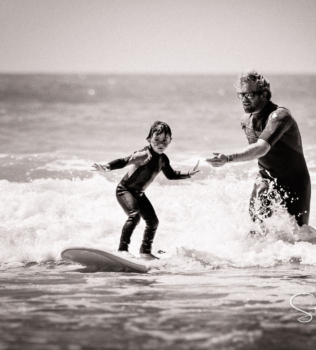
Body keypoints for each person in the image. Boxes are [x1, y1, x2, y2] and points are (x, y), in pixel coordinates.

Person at [206, 70, 311, 228]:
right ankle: (255, 254)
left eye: (249, 95)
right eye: (241, 95)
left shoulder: (280, 116)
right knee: (256, 229)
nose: (244, 99)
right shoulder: (245, 121)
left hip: (294, 182)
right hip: (266, 179)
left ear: (264, 94)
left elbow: (261, 148)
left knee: (300, 234)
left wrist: (228, 158)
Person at [93, 121, 199, 260]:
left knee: (153, 221)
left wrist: (188, 174)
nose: (161, 143)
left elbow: (171, 175)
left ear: (170, 141)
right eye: (157, 139)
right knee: (134, 215)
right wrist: (107, 166)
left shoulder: (163, 159)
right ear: (149, 139)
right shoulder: (144, 154)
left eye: (165, 140)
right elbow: (124, 161)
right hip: (125, 190)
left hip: (139, 194)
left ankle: (145, 252)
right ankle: (122, 250)